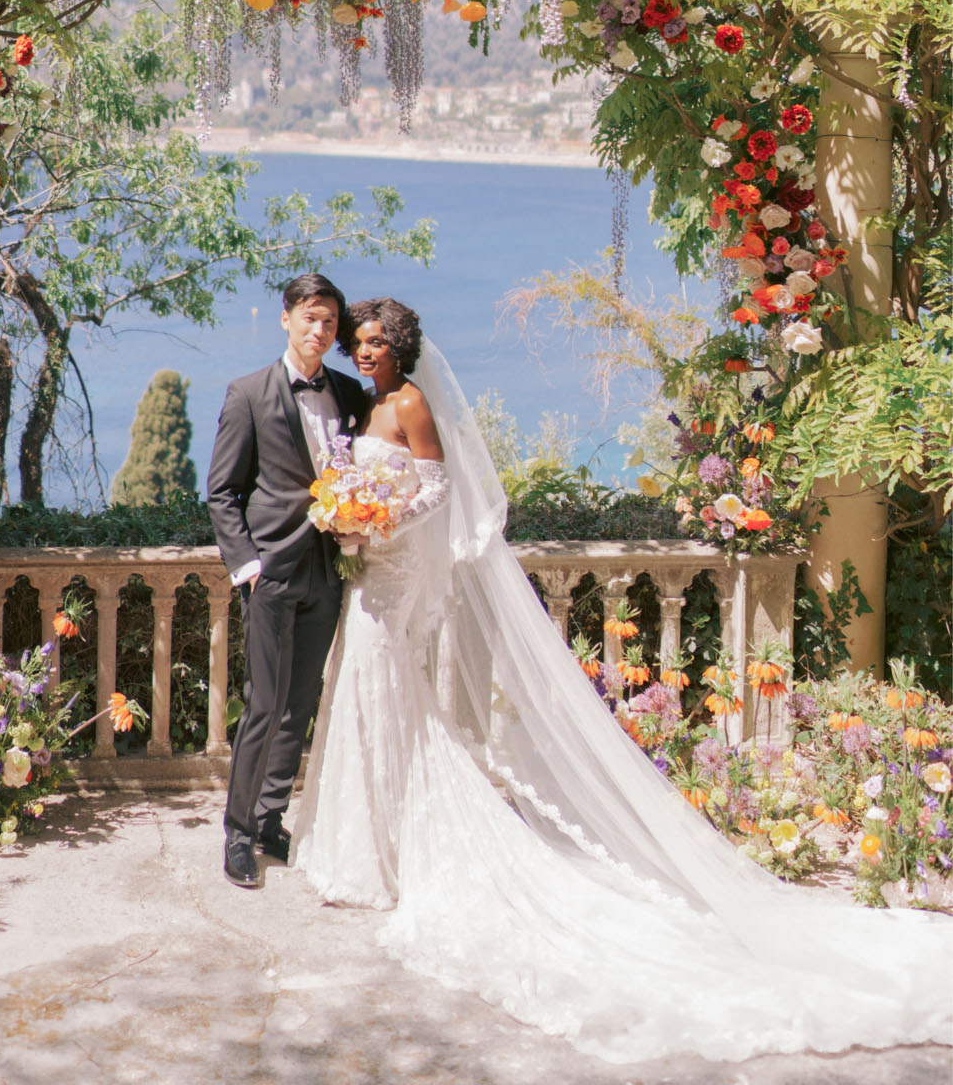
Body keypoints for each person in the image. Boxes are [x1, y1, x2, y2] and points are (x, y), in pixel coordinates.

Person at [293, 296, 953, 1063]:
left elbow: (437, 491)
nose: (365, 351)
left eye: (376, 342)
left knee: (385, 689)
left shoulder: (409, 402)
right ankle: (367, 840)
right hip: (369, 572)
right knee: (372, 696)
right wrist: (351, 515)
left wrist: (380, 521)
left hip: (394, 570)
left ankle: (391, 846)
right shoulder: (368, 403)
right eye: (360, 343)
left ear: (401, 347)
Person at [206, 271, 368, 889]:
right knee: (264, 706)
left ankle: (272, 818)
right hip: (269, 574)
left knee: (299, 707)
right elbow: (223, 492)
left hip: (328, 573)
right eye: (309, 318)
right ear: (286, 319)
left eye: (329, 321)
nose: (319, 330)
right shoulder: (248, 393)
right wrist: (247, 566)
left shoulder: (349, 395)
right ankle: (239, 834)